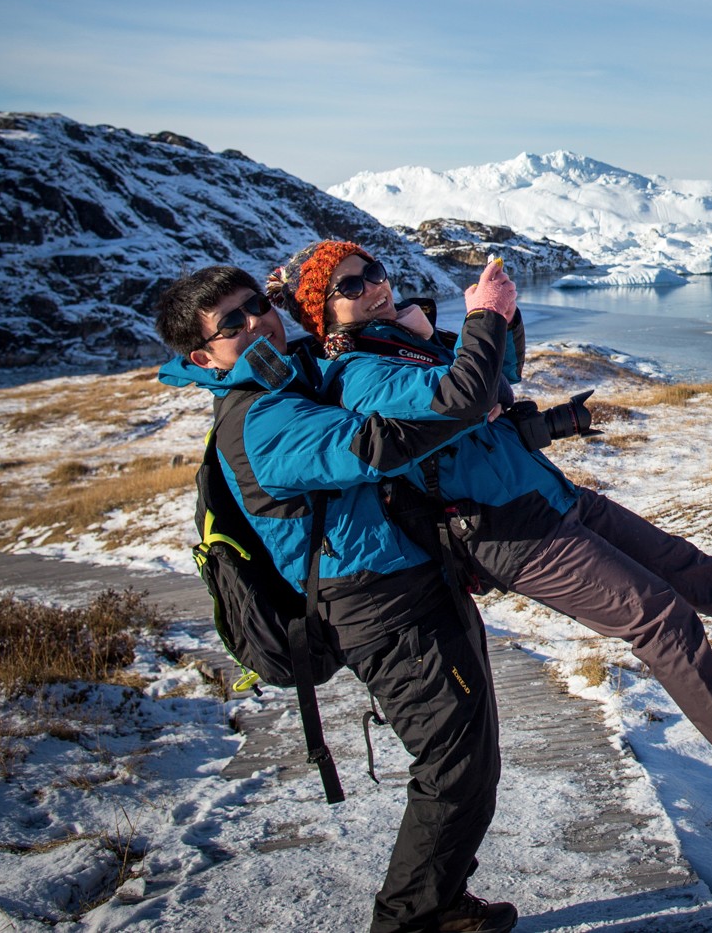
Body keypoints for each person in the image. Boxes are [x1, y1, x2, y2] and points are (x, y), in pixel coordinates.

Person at [269, 240, 712, 803]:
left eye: (372, 273)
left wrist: (503, 318)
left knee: (686, 567)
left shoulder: (400, 345)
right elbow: (468, 395)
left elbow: (500, 378)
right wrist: (480, 318)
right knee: (657, 614)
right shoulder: (361, 375)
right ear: (322, 314)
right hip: (507, 532)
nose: (373, 287)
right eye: (349, 287)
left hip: (548, 498)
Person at [155, 266, 515, 933]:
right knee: (456, 765)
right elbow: (378, 446)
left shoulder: (279, 374)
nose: (255, 322)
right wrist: (468, 401)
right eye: (230, 323)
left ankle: (437, 900)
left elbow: (341, 341)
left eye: (256, 305)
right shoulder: (259, 418)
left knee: (470, 752)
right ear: (201, 357)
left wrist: (311, 301)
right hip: (382, 608)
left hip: (404, 583)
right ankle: (411, 917)